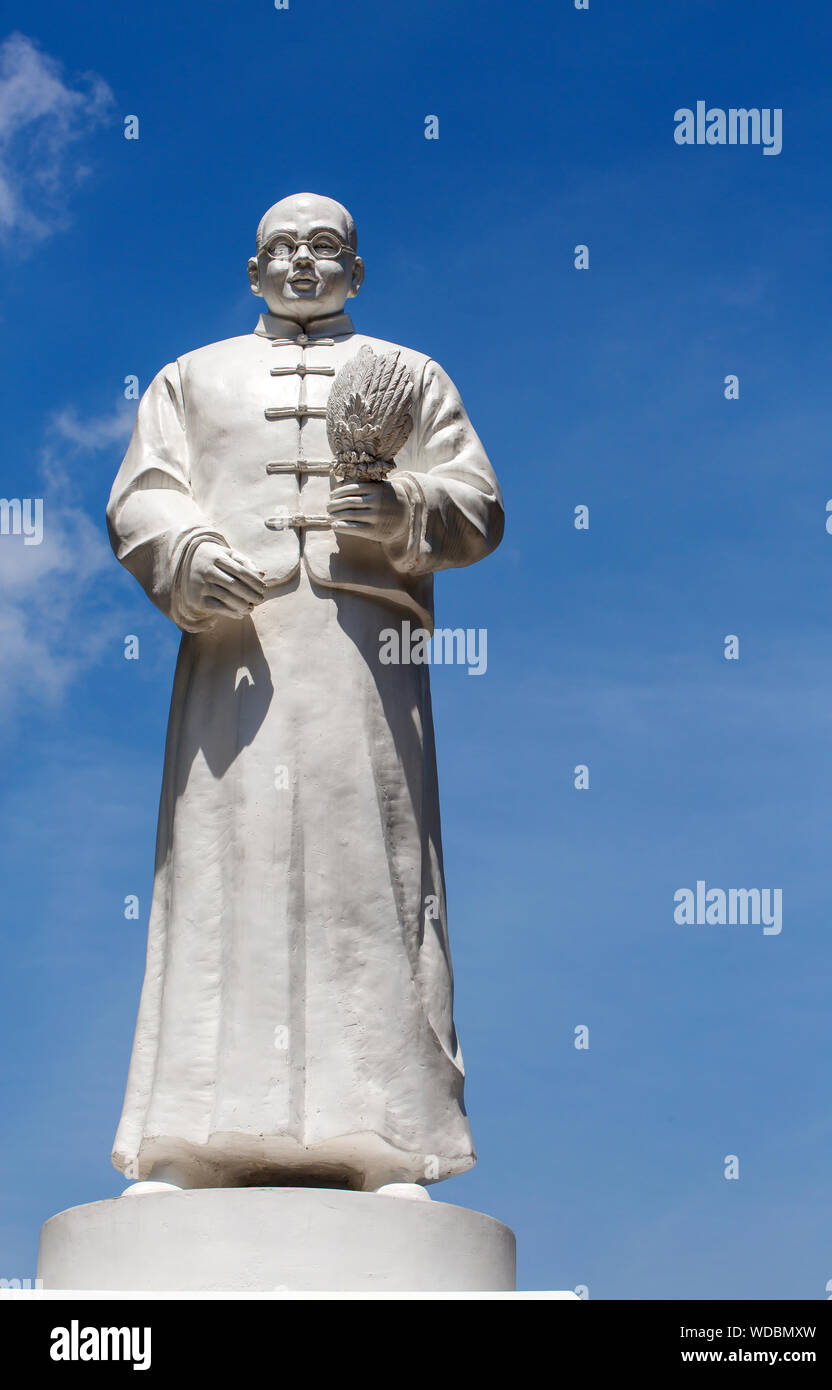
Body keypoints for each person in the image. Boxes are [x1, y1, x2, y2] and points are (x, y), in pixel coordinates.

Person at [107, 192, 504, 1196]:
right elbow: (143, 493)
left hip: (359, 653)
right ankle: (191, 1132)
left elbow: (479, 507)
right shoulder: (191, 378)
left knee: (365, 867)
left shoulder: (411, 379)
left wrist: (401, 503)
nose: (300, 263)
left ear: (354, 272)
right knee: (217, 867)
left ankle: (385, 1130)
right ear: (252, 270)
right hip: (233, 650)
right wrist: (186, 551)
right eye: (281, 248)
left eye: (323, 248)